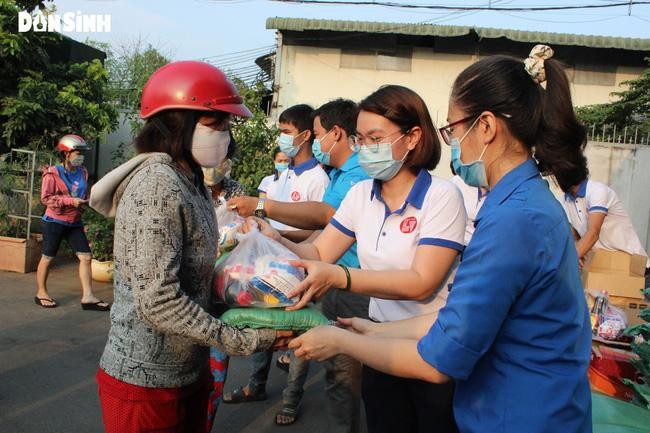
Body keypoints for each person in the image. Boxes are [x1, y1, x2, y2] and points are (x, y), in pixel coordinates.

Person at [289, 45, 593, 433]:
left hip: (517, 414)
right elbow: (465, 318)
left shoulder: (513, 220)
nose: (452, 143)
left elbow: (438, 360)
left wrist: (340, 340)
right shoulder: (522, 203)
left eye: (453, 128)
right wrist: (377, 330)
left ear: (485, 126)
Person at [246, 86, 466, 433]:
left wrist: (339, 277)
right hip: (378, 337)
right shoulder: (362, 194)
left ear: (413, 137)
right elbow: (319, 253)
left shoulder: (441, 196)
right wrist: (272, 238)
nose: (365, 149)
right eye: (360, 139)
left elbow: (421, 281)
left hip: (430, 342)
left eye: (375, 138)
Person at [88, 61, 291, 433]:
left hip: (186, 371)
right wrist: (244, 339)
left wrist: (260, 304)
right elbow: (158, 300)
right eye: (219, 125)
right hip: (145, 382)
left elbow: (195, 283)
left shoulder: (191, 181)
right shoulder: (157, 184)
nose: (227, 137)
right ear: (178, 124)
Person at [229, 98, 371, 432]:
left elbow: (323, 216)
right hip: (334, 277)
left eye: (319, 133)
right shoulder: (337, 175)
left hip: (355, 284)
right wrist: (274, 240)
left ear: (334, 134)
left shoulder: (355, 175)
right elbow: (319, 247)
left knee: (346, 375)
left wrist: (262, 206)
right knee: (338, 372)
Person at [222, 103, 329, 426]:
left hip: (297, 265)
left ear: (306, 135)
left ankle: (291, 399)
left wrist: (277, 235)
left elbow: (320, 229)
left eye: (286, 132)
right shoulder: (282, 176)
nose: (282, 139)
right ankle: (256, 385)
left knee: (296, 335)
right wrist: (257, 228)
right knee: (261, 320)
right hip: (269, 266)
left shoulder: (317, 179)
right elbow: (269, 215)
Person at [34, 134, 109, 311]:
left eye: (82, 152)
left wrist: (88, 201)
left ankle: (88, 296)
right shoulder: (52, 173)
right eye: (78, 152)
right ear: (66, 154)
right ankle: (41, 292)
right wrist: (70, 202)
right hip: (54, 221)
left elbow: (81, 194)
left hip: (74, 221)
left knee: (86, 257)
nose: (81, 156)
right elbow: (46, 199)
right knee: (48, 258)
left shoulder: (82, 171)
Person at [561, 178, 649, 269]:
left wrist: (570, 259)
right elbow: (574, 236)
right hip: (604, 268)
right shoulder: (563, 202)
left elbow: (593, 233)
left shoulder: (597, 191)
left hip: (634, 268)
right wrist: (578, 252)